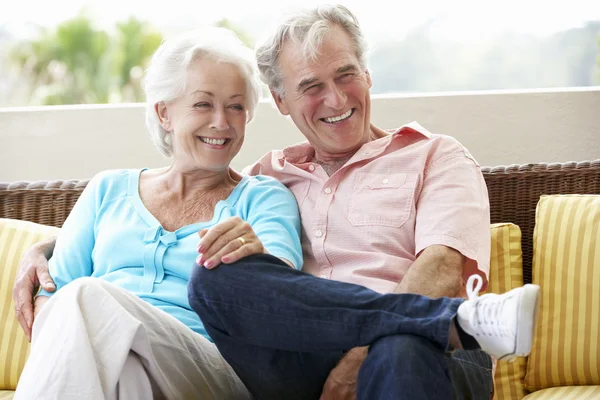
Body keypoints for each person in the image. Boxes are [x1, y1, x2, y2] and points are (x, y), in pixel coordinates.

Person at [13, 6, 540, 400]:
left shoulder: (434, 157)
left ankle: (444, 323)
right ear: (283, 102)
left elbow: (444, 268)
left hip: (422, 354)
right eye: (311, 86)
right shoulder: (272, 176)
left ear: (368, 74)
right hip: (298, 364)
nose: (335, 99)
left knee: (397, 349)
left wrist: (362, 351)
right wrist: (47, 246)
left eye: (346, 75)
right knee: (216, 277)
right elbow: (235, 273)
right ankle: (453, 318)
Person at [12, 27, 303, 400]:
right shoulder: (108, 190)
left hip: (212, 366)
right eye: (203, 104)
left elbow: (285, 293)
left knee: (87, 297)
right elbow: (53, 297)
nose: (222, 121)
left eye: (235, 106)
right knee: (126, 374)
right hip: (118, 368)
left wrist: (257, 259)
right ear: (165, 113)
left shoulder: (263, 198)